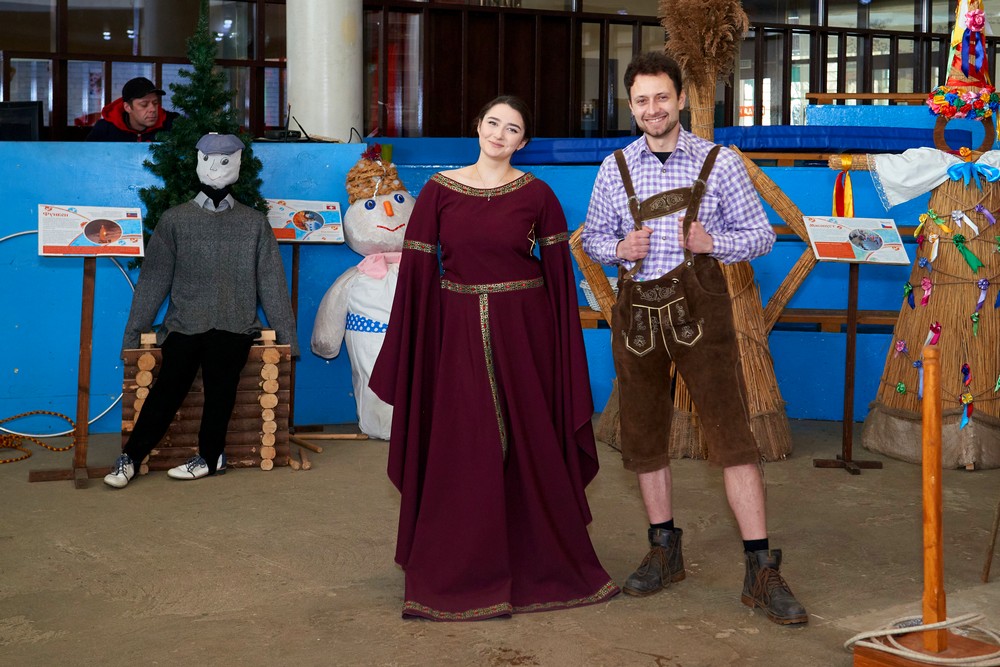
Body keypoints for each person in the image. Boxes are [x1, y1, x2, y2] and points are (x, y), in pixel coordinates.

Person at [369, 95, 619, 621]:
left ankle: (540, 562)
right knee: (462, 447)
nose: (499, 134)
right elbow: (418, 276)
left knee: (532, 443)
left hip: (527, 334)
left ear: (523, 142)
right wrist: (418, 344)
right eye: (493, 123)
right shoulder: (438, 191)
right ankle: (459, 568)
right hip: (457, 333)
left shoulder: (539, 195)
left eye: (512, 129)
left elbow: (557, 277)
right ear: (477, 126)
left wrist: (560, 348)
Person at [582, 52, 808, 625]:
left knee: (733, 437)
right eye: (641, 100)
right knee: (644, 438)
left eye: (662, 97)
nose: (652, 109)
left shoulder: (719, 161)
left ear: (680, 99)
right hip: (637, 318)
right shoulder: (613, 167)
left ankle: (760, 568)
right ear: (630, 106)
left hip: (703, 314)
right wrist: (618, 250)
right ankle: (664, 550)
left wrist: (713, 244)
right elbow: (595, 239)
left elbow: (761, 236)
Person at [104, 133, 298, 489]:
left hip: (235, 323)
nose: (217, 168)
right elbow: (153, 282)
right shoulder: (175, 221)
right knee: (169, 385)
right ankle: (131, 456)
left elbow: (272, 282)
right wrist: (133, 335)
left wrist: (287, 340)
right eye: (210, 159)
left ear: (237, 164)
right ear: (199, 162)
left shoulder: (254, 223)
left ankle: (210, 456)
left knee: (222, 384)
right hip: (185, 323)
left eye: (226, 160)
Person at [86, 77, 178, 142]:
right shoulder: (105, 129)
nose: (153, 109)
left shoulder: (173, 123)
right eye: (144, 104)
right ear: (128, 107)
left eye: (155, 103)